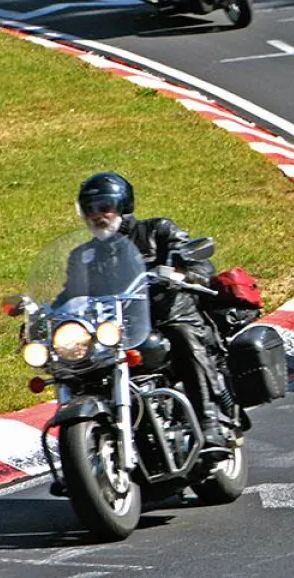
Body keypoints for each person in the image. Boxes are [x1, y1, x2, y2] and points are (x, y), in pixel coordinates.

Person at [75, 172, 227, 449]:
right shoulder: (83, 255)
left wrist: (183, 274)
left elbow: (199, 265)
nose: (97, 214)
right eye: (90, 208)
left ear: (122, 205)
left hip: (167, 313)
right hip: (116, 327)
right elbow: (69, 294)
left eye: (104, 206)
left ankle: (209, 421)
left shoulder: (157, 230)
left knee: (183, 337)